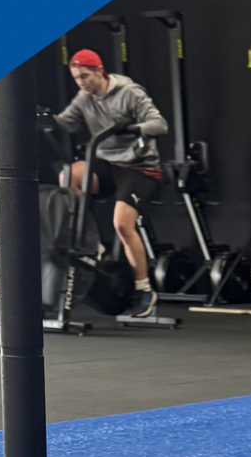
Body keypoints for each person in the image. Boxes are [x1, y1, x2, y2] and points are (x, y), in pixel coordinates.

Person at [53, 49, 168, 318]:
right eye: (76, 78)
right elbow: (65, 123)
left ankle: (144, 290)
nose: (80, 82)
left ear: (99, 72)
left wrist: (133, 129)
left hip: (140, 169)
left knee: (122, 224)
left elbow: (159, 125)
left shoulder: (129, 92)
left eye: (84, 76)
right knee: (68, 176)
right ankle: (90, 243)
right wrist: (39, 119)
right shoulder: (84, 98)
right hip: (107, 165)